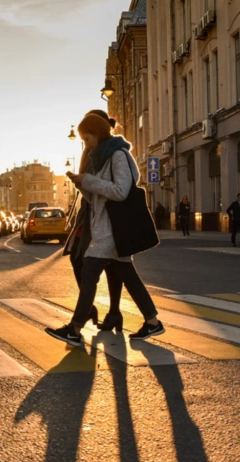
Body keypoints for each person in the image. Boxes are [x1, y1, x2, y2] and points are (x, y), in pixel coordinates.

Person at [47, 113, 164, 346]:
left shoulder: (118, 155)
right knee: (128, 276)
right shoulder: (102, 156)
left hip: (112, 229)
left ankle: (75, 329)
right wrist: (82, 185)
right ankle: (152, 322)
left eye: (87, 138)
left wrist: (89, 181)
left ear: (97, 134)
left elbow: (121, 191)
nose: (86, 144)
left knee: (89, 273)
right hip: (106, 226)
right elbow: (97, 196)